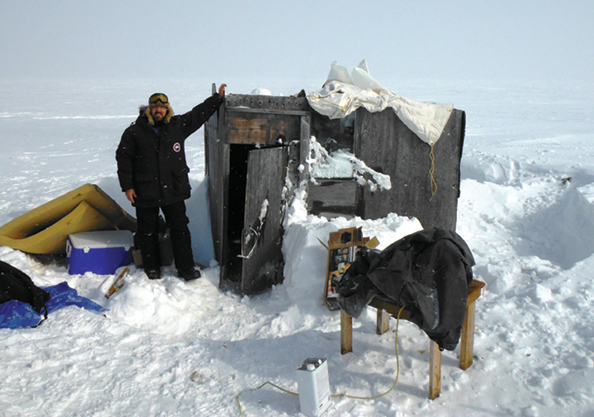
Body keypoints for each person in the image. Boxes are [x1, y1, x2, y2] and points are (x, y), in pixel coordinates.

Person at [116, 84, 227, 281]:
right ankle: (152, 269)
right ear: (148, 109)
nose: (158, 110)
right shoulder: (135, 132)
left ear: (168, 109)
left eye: (162, 107)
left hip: (172, 191)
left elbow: (198, 115)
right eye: (154, 107)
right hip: (145, 191)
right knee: (147, 232)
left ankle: (186, 269)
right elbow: (123, 158)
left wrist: (216, 99)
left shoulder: (177, 126)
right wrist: (128, 186)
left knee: (180, 230)